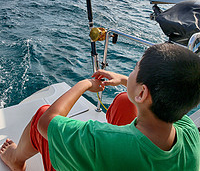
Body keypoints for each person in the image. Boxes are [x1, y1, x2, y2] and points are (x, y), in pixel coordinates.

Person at [0, 43, 200, 171]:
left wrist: (84, 84)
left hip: (113, 152)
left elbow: (47, 123)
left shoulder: (100, 140)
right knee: (124, 101)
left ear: (142, 93)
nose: (129, 74)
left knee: (41, 115)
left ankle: (15, 160)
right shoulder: (190, 132)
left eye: (134, 69)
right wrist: (123, 80)